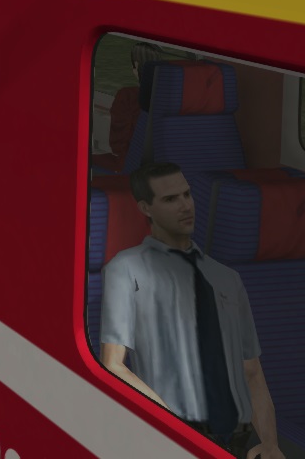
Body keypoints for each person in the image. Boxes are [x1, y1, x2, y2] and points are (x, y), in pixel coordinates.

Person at [100, 162, 284, 459]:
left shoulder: (226, 277)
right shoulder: (126, 269)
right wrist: (172, 430)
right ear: (146, 208)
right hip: (176, 436)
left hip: (237, 440)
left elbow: (252, 371)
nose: (185, 206)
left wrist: (270, 443)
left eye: (187, 195)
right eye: (170, 199)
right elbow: (113, 365)